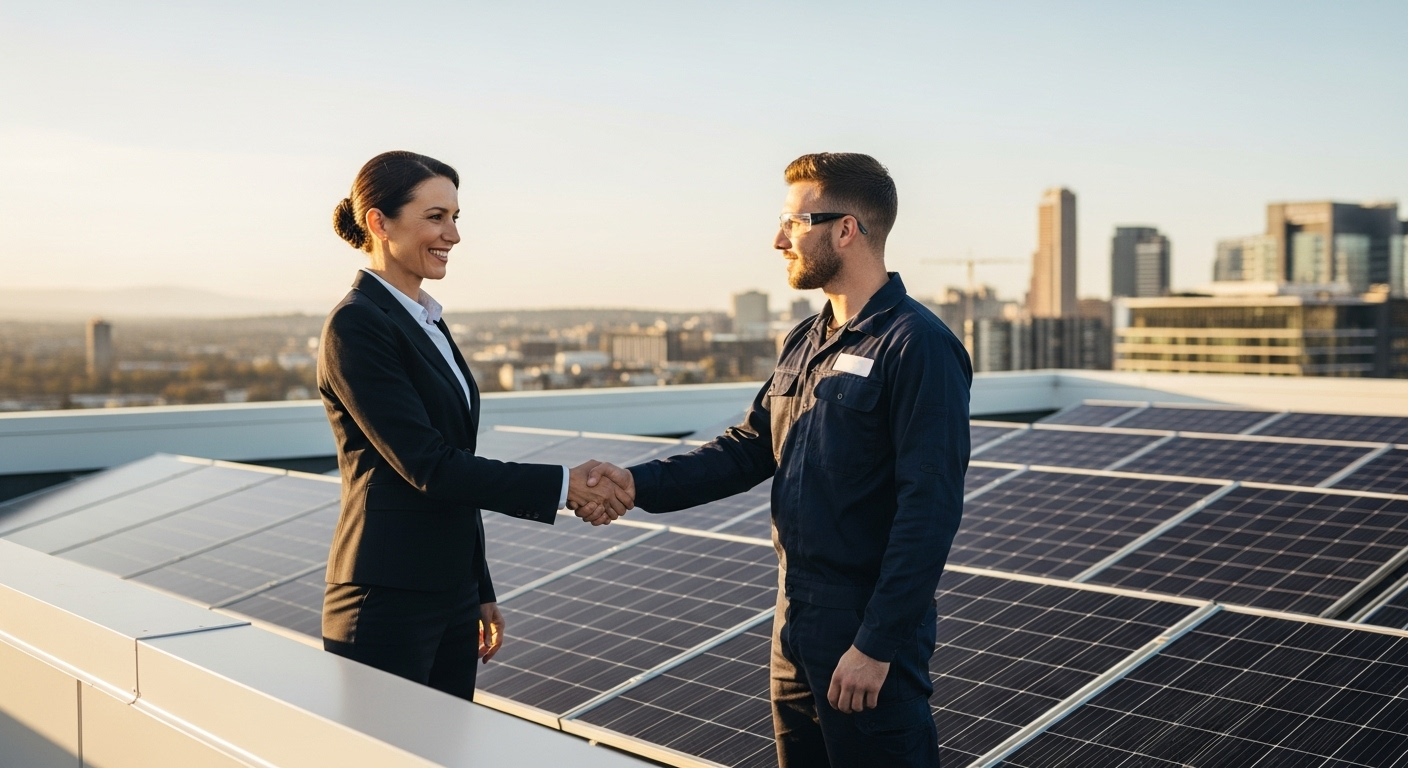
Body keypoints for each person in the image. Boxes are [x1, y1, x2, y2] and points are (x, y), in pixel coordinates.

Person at [586, 153, 970, 767]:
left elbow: (929, 510)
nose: (776, 240)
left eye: (793, 223)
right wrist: (635, 482)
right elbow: (747, 449)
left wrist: (875, 645)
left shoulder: (918, 345)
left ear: (845, 229)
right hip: (793, 625)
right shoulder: (805, 340)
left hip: (863, 632)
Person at [317, 150, 631, 700]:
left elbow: (454, 455)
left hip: (449, 595)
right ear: (378, 222)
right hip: (386, 597)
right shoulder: (357, 324)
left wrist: (477, 587)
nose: (453, 235)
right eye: (436, 217)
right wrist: (563, 485)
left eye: (456, 217)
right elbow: (428, 466)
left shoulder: (428, 321)